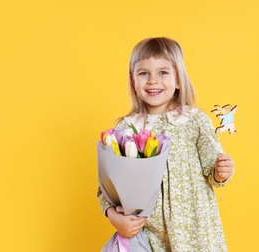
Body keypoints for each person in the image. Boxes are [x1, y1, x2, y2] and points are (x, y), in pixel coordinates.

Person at [97, 37, 234, 251]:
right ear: (133, 81)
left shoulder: (194, 121)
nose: (152, 80)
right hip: (150, 236)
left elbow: (213, 171)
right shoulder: (125, 129)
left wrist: (221, 171)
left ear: (178, 79)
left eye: (163, 72)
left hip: (195, 232)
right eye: (143, 73)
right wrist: (116, 218)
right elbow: (107, 188)